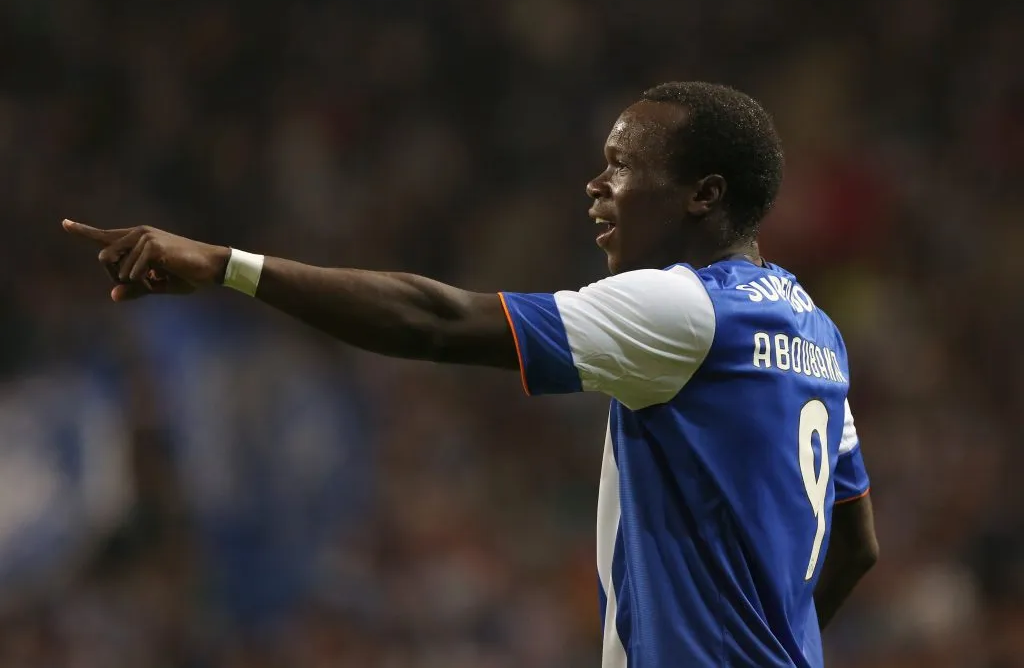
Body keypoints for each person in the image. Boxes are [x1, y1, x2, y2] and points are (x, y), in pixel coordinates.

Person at [64, 81, 878, 668]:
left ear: (704, 194)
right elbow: (857, 544)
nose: (597, 185)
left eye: (622, 165)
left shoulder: (685, 307)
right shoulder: (816, 332)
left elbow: (439, 320)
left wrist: (226, 265)